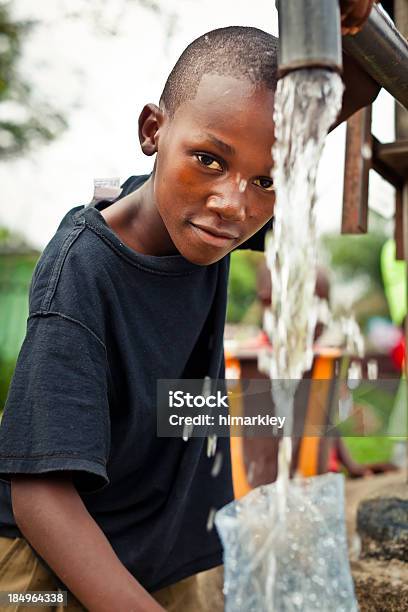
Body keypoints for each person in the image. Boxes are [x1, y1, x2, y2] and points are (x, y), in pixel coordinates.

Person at [0, 9, 380, 612]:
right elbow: (40, 496)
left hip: (163, 550)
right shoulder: (83, 272)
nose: (234, 202)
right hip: (51, 569)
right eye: (209, 159)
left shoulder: (196, 217)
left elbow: (342, 92)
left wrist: (361, 20)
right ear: (153, 130)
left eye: (268, 179)